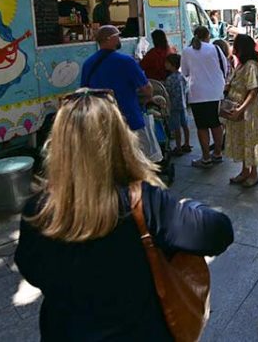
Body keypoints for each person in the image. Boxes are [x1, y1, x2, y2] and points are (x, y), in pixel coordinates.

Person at [15, 88, 233, 341]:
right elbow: (219, 231)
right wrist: (192, 207)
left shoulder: (38, 209)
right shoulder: (142, 201)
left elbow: (31, 269)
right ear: (119, 138)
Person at [81, 25, 153, 138]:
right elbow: (147, 89)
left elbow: (84, 92)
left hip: (101, 122)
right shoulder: (126, 62)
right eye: (118, 36)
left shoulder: (88, 64)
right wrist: (148, 98)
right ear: (110, 38)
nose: (120, 39)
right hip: (129, 119)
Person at [223, 34, 258, 187]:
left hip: (247, 111)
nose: (233, 48)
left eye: (235, 46)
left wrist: (241, 109)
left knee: (250, 140)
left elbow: (253, 91)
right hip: (237, 109)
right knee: (241, 139)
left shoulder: (250, 65)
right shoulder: (241, 64)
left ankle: (253, 173)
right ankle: (244, 171)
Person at [182, 25, 229, 168]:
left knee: (202, 126)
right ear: (207, 36)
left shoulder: (187, 51)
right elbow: (225, 67)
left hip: (197, 93)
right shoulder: (215, 48)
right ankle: (218, 153)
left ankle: (206, 157)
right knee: (216, 124)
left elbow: (185, 72)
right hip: (215, 92)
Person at [164, 54, 192, 156]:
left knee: (176, 128)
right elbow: (186, 89)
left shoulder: (170, 79)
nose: (165, 65)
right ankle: (187, 144)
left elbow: (167, 92)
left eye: (167, 63)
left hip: (173, 106)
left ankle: (178, 147)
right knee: (185, 125)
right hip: (183, 104)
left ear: (172, 65)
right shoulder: (182, 77)